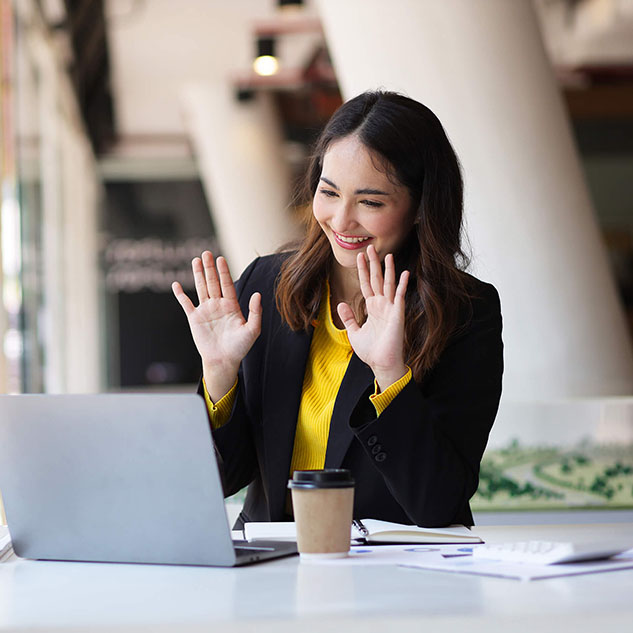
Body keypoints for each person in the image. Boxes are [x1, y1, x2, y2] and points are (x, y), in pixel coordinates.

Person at [172, 90, 503, 529]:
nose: (341, 220)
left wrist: (390, 376)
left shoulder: (464, 312)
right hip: (274, 570)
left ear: (421, 208)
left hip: (397, 577)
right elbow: (218, 480)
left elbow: (437, 503)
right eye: (329, 192)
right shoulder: (267, 287)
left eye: (370, 202)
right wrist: (218, 375)